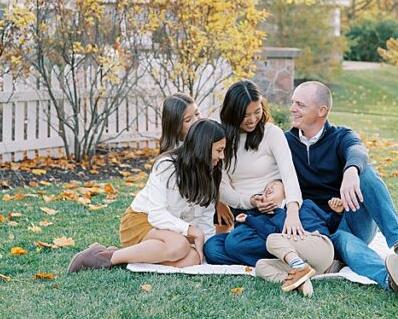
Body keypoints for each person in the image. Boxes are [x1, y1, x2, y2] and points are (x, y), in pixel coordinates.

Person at [283, 81, 398, 298]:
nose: (292, 109)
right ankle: (393, 280)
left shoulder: (340, 136)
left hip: (351, 218)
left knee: (365, 173)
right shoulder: (286, 142)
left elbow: (358, 150)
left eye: (300, 104)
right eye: (293, 102)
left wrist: (351, 171)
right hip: (320, 231)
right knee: (348, 245)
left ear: (322, 110)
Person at [67, 119, 227, 272]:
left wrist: (204, 250)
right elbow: (156, 215)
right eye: (219, 150)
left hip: (170, 231)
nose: (222, 156)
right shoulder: (167, 167)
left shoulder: (212, 173)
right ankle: (104, 258)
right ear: (203, 147)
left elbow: (205, 219)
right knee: (179, 246)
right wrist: (191, 230)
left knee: (191, 259)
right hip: (142, 220)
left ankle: (135, 253)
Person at [203, 80, 305, 266]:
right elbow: (223, 188)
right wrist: (250, 201)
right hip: (244, 212)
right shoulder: (222, 140)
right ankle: (290, 256)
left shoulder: (272, 133)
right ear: (232, 113)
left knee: (235, 244)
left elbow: (289, 175)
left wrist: (292, 211)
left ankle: (290, 252)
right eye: (245, 115)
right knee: (211, 249)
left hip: (273, 211)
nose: (252, 120)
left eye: (257, 112)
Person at [236, 180, 341, 296]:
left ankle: (299, 268)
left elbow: (330, 224)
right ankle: (299, 281)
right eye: (265, 189)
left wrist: (336, 213)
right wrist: (248, 219)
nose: (268, 188)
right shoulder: (274, 218)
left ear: (287, 190)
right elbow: (268, 233)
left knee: (272, 238)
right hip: (310, 263)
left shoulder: (306, 204)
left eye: (274, 185)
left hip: (320, 245)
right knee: (261, 265)